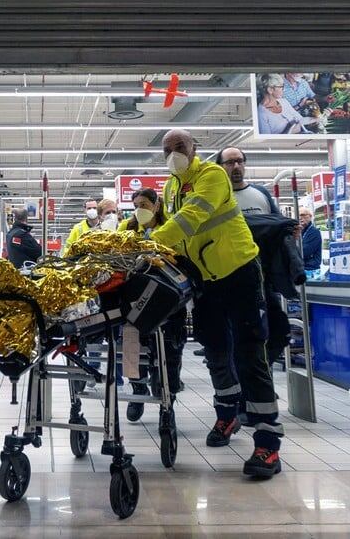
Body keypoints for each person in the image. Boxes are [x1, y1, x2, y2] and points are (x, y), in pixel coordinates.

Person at [151, 129, 284, 478]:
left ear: (194, 149)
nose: (173, 154)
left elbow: (190, 219)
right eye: (167, 149)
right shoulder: (169, 188)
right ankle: (227, 415)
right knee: (215, 350)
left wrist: (148, 243)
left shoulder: (212, 175)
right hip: (205, 280)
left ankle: (268, 441)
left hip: (239, 273)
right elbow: (177, 236)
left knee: (249, 352)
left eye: (179, 147)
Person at [220, 147, 296, 373]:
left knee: (279, 330)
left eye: (239, 161)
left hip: (264, 277)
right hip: (231, 278)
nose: (235, 166)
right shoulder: (218, 197)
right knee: (241, 336)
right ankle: (248, 386)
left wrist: (289, 231)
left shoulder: (261, 194)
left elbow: (277, 228)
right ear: (220, 167)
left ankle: (262, 375)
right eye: (230, 162)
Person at [118, 188, 187, 420]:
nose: (140, 209)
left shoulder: (172, 228)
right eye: (136, 205)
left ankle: (167, 400)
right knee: (128, 341)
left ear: (156, 205)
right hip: (137, 299)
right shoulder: (125, 230)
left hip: (169, 299)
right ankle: (138, 388)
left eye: (145, 204)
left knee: (170, 349)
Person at [299, 210, 323, 274]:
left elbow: (305, 251)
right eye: (299, 216)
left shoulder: (314, 232)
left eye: (303, 215)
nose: (301, 218)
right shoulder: (301, 231)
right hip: (302, 268)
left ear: (310, 217)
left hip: (311, 270)